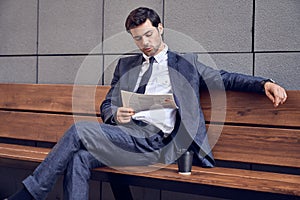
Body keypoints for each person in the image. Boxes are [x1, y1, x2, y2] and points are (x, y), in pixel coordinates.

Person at [6, 7, 287, 200]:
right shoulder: (126, 65)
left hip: (159, 144)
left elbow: (225, 78)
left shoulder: (185, 64)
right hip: (127, 136)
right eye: (138, 38)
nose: (144, 43)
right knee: (79, 158)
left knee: (80, 131)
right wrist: (116, 114)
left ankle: (30, 193)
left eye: (149, 34)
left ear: (160, 29)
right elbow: (107, 106)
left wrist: (265, 83)